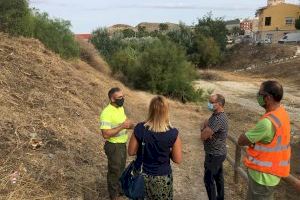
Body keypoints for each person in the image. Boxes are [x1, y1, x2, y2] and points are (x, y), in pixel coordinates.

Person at [238, 80, 291, 200]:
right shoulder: (281, 113)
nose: (258, 96)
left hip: (262, 177)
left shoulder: (267, 123)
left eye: (260, 93)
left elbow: (241, 140)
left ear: (268, 98)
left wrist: (248, 133)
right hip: (272, 174)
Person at [128, 96, 182, 200]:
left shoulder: (140, 128)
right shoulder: (173, 133)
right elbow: (177, 159)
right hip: (162, 177)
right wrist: (167, 152)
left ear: (150, 110)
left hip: (141, 174)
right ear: (166, 111)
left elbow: (131, 152)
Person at [99, 87, 134, 200]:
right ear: (112, 99)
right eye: (120, 97)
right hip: (113, 146)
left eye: (123, 97)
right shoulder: (106, 113)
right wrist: (122, 126)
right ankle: (113, 196)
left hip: (122, 145)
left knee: (121, 170)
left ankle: (119, 190)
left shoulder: (120, 108)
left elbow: (126, 123)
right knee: (114, 172)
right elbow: (105, 134)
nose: (122, 99)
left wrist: (138, 127)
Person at [201, 94, 228, 200]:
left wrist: (204, 127)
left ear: (219, 104)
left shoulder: (217, 119)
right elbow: (206, 133)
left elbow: (203, 136)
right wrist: (207, 129)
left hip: (214, 155)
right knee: (218, 178)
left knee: (208, 180)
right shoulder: (217, 116)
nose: (209, 104)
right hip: (218, 153)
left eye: (211, 102)